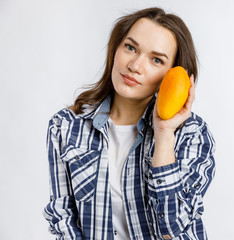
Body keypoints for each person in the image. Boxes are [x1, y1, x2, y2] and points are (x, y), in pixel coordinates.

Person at [43, 7, 216, 240]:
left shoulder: (192, 134)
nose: (135, 65)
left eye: (156, 60)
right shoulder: (65, 127)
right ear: (116, 49)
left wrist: (164, 134)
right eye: (130, 47)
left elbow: (171, 230)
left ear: (173, 75)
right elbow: (63, 216)